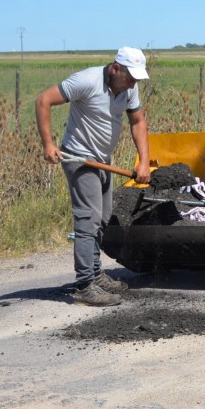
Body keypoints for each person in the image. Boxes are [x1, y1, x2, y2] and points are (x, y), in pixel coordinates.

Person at [35, 47, 151, 307]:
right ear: (115, 68)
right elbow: (43, 100)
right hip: (79, 158)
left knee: (102, 217)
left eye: (136, 78)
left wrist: (144, 160)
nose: (132, 82)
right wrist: (48, 144)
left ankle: (96, 274)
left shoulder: (129, 87)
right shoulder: (86, 81)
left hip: (103, 161)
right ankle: (86, 285)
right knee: (88, 219)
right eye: (129, 76)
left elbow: (137, 122)